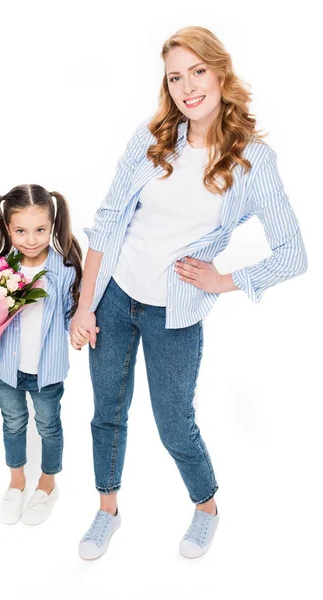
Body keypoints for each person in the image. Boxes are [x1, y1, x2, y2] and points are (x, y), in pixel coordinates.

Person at [69, 26, 308, 559]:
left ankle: (205, 507)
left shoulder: (253, 161)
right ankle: (106, 510)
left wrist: (223, 281)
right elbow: (108, 223)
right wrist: (84, 304)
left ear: (221, 73)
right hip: (114, 296)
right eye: (175, 76)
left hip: (173, 313)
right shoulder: (151, 137)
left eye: (198, 71)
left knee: (175, 422)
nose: (187, 87)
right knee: (107, 410)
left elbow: (293, 254)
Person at [0, 184, 82, 525]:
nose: (31, 239)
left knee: (48, 426)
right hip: (5, 370)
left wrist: (79, 329)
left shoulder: (64, 270)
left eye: (40, 230)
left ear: (52, 225)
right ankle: (17, 482)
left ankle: (47, 484)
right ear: (7, 228)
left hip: (48, 373)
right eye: (21, 231)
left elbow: (71, 315)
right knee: (13, 423)